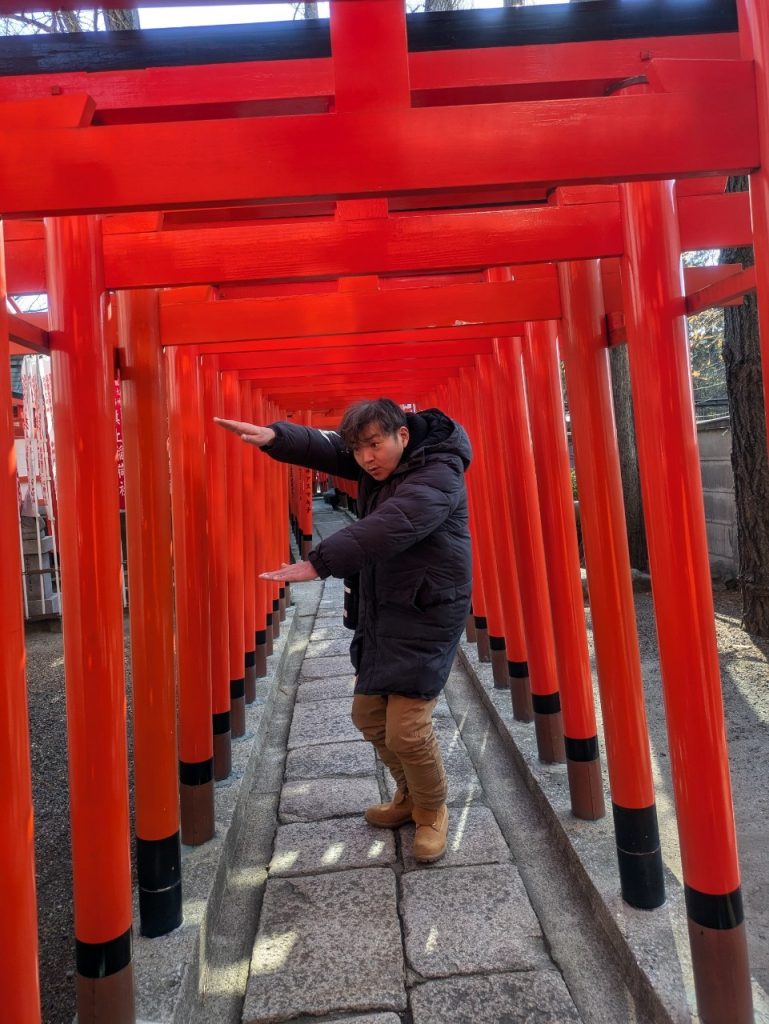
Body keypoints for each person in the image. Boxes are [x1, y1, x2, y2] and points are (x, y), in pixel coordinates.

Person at [215, 398, 472, 863]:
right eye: (359, 450)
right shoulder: (378, 464)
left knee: (407, 730)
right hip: (381, 606)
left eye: (375, 445)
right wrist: (277, 437)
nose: (366, 458)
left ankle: (432, 809)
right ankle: (409, 795)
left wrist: (321, 562)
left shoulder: (439, 473)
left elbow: (397, 522)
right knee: (369, 717)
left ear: (403, 436)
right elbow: (331, 448)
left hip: (427, 610)